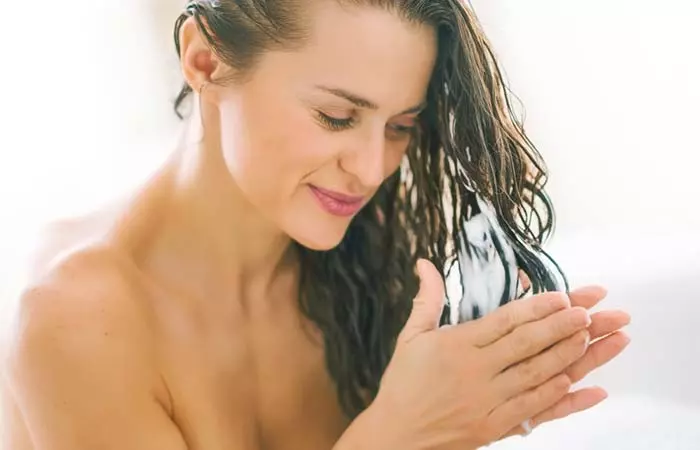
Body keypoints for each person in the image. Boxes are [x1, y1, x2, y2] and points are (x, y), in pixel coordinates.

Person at [1, 1, 632, 449]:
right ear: (205, 61)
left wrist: (470, 411)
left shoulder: (367, 253)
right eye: (335, 116)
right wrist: (402, 434)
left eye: (400, 127)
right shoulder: (79, 321)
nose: (371, 168)